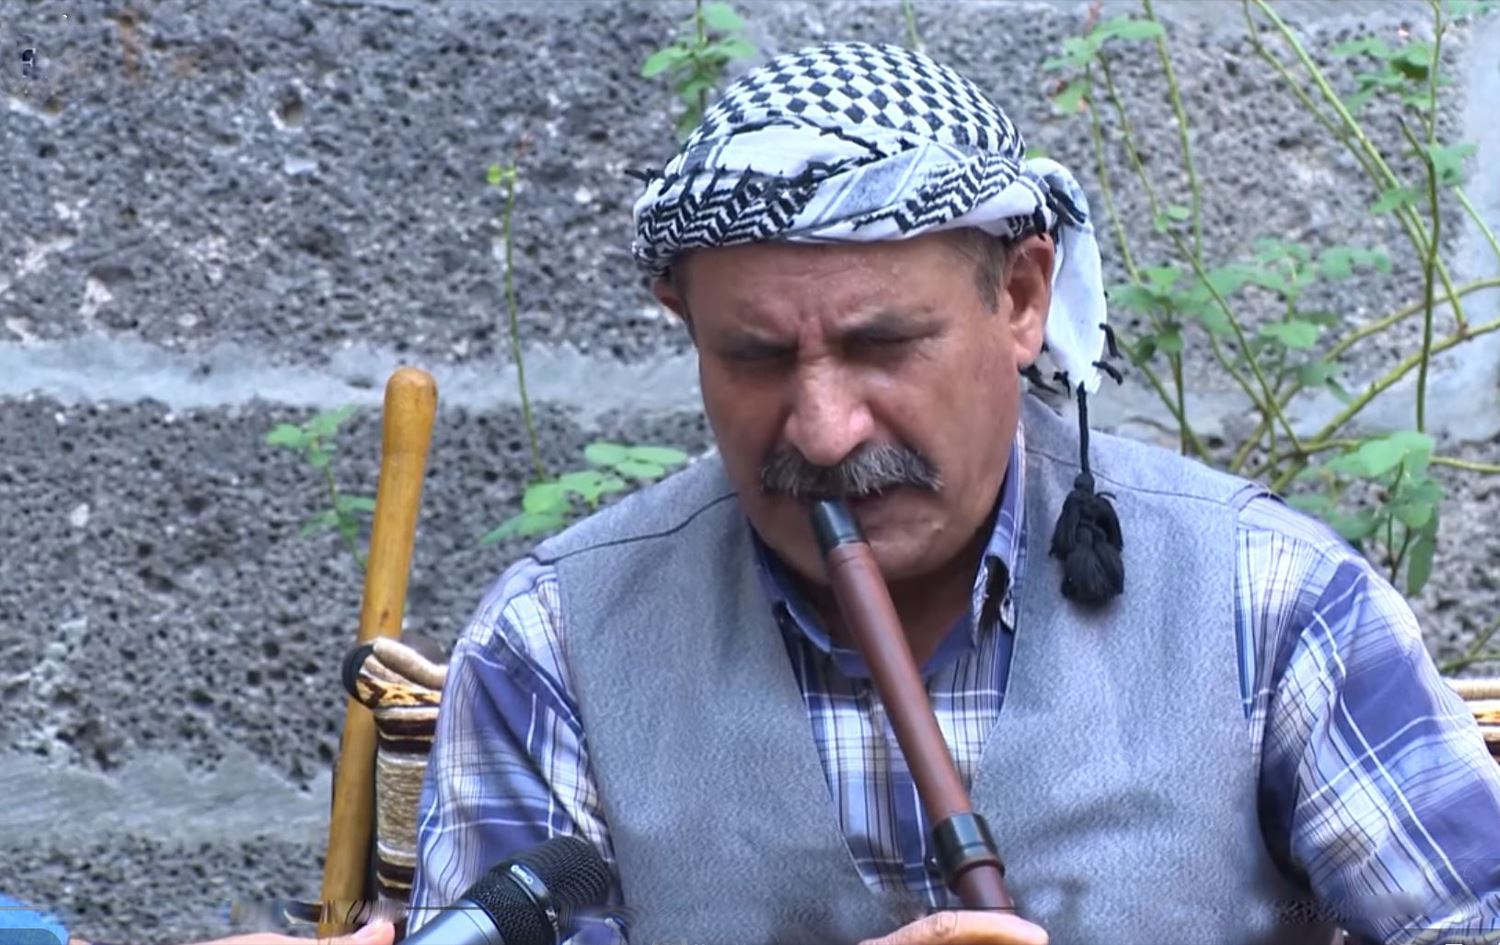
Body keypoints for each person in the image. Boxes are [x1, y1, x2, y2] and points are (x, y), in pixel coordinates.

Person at [408, 41, 1500, 944]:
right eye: (754, 356)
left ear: (1022, 298)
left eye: (883, 345)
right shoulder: (556, 644)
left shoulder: (1269, 601)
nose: (823, 430)